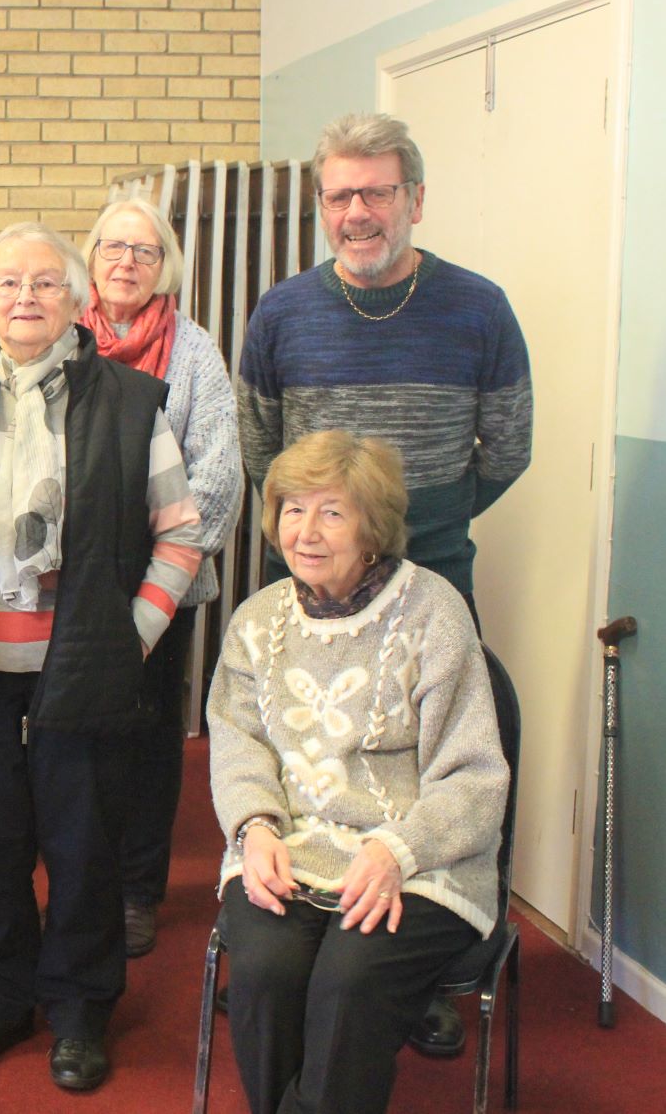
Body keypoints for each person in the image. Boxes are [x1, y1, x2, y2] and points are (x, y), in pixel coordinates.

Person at [234, 110, 532, 1054]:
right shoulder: (281, 311)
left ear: (413, 198)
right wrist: (325, 531)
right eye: (339, 196)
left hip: (434, 573)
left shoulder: (478, 307)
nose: (356, 212)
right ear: (322, 204)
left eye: (374, 192)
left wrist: (412, 527)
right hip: (313, 590)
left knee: (433, 764)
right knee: (313, 765)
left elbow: (509, 446)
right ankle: (297, 954)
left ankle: (419, 968)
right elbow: (258, 449)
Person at [0, 222, 203, 1093]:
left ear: (75, 302)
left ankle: (77, 1009)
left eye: (44, 284)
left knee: (82, 846)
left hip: (82, 666)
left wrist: (127, 636)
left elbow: (181, 537)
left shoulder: (133, 402)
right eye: (7, 284)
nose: (24, 298)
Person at [208, 430, 509, 1114]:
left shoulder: (433, 612)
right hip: (288, 844)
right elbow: (236, 745)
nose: (305, 531)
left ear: (371, 525)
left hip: (419, 858)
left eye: (331, 511)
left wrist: (396, 849)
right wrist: (253, 827)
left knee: (348, 982)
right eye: (291, 508)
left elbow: (473, 777)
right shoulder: (257, 621)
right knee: (264, 970)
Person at [79, 197, 242, 956]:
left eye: (144, 253)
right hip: (67, 586)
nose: (126, 263)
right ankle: (79, 878)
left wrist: (156, 575)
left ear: (163, 266)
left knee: (146, 743)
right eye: (114, 247)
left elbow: (215, 475)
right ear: (90, 256)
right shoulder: (61, 332)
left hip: (162, 589)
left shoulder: (194, 351)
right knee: (74, 739)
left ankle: (138, 889)